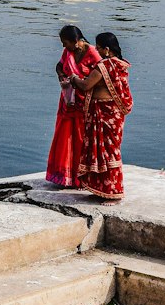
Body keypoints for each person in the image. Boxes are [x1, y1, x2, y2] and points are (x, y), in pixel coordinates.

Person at [76, 32, 133, 201]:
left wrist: (73, 79)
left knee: (107, 151)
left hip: (104, 112)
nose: (97, 51)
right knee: (109, 150)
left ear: (107, 49)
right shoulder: (121, 65)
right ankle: (103, 188)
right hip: (114, 114)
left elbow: (86, 85)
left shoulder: (104, 66)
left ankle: (112, 191)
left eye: (99, 48)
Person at [46, 25, 101, 189]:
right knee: (64, 137)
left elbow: (101, 76)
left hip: (84, 103)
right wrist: (62, 75)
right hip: (68, 101)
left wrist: (78, 81)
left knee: (80, 138)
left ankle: (81, 178)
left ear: (76, 41)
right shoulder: (68, 53)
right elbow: (58, 66)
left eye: (65, 43)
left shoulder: (93, 54)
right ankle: (64, 176)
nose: (64, 46)